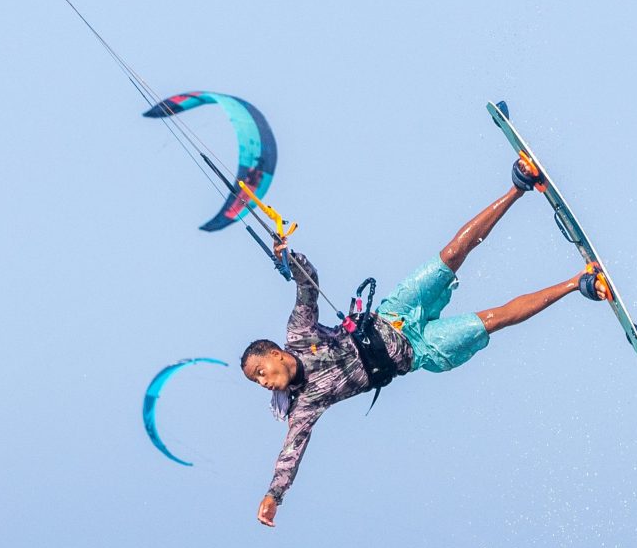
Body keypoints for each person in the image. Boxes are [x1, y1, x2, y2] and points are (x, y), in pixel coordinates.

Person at [239, 157, 606, 526]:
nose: (263, 381)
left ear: (274, 353)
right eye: (257, 381)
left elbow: (307, 283)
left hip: (394, 312)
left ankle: (519, 186)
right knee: (494, 319)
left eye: (260, 372)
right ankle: (581, 283)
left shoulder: (298, 335)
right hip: (419, 350)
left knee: (451, 255)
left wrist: (288, 257)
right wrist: (274, 496)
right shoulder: (305, 404)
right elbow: (290, 454)